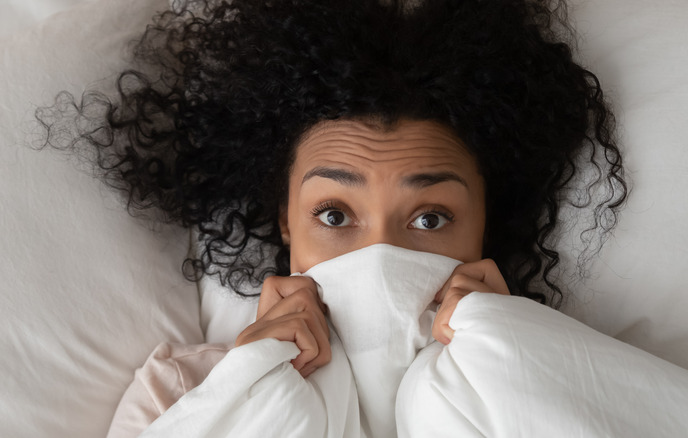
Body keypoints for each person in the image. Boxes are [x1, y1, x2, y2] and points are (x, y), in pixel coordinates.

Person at [38, 0, 627, 434]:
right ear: (287, 221)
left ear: (483, 233)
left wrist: (524, 360)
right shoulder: (182, 392)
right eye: (335, 213)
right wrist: (249, 402)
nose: (378, 254)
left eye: (429, 219)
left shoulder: (581, 377)